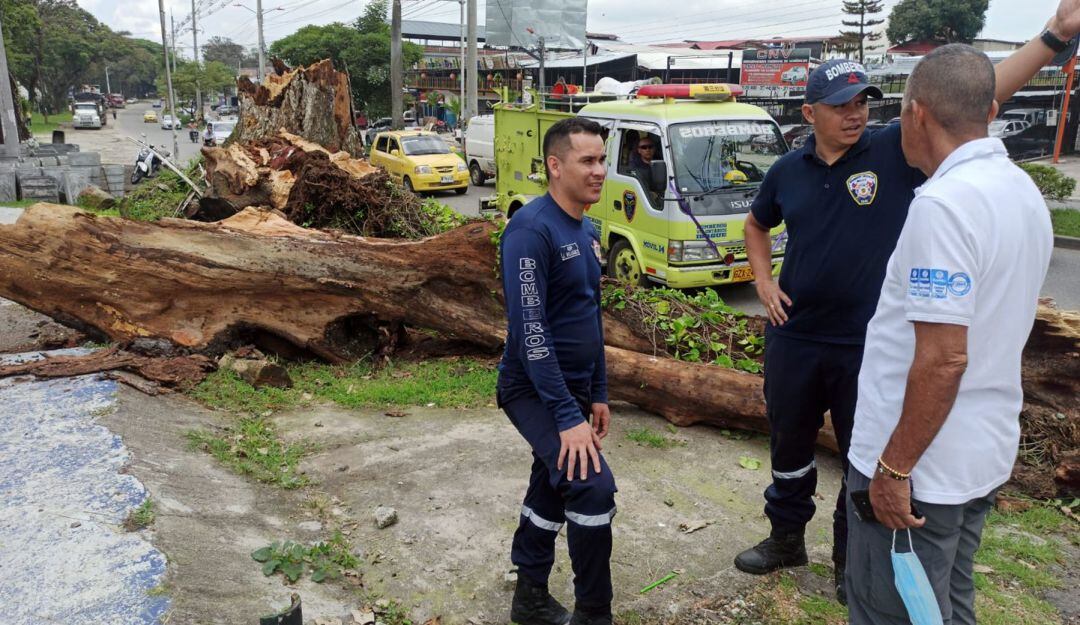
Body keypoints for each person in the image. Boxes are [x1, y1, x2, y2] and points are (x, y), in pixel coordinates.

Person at [738, 2, 1080, 605]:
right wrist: (763, 283)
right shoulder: (787, 170)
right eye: (841, 104)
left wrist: (1054, 36)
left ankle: (853, 569)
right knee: (788, 445)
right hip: (797, 336)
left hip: (864, 346)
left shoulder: (893, 152)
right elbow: (756, 226)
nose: (855, 113)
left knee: (858, 461)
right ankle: (786, 538)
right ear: (809, 111)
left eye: (863, 101)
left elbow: (970, 95)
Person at [846, 43, 1054, 624]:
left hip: (921, 473)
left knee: (890, 609)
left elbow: (943, 360)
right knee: (947, 604)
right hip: (978, 453)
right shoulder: (1020, 191)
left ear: (917, 114)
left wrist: (893, 470)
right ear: (989, 109)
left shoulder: (944, 205)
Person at [497, 116, 615, 625]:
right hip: (531, 388)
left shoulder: (586, 226)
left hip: (574, 388)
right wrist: (567, 417)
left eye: (602, 160)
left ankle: (529, 596)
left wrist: (599, 391)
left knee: (553, 478)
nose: (600, 171)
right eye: (587, 161)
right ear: (554, 165)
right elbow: (532, 333)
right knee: (590, 485)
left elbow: (590, 313)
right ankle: (595, 613)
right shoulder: (530, 230)